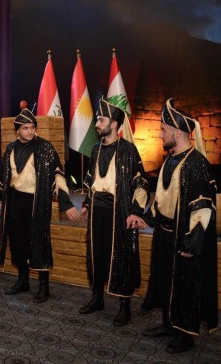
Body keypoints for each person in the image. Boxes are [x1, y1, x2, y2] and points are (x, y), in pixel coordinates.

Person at [141, 98, 218, 354]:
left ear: (176, 132)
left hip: (182, 237)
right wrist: (147, 218)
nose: (160, 134)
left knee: (185, 284)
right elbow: (162, 198)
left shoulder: (196, 164)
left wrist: (192, 242)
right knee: (165, 280)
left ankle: (185, 335)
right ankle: (168, 323)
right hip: (164, 234)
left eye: (163, 130)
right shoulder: (170, 159)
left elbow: (203, 207)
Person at [78, 97, 149, 327]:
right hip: (97, 211)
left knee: (121, 256)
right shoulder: (95, 149)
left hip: (119, 212)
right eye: (98, 119)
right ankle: (97, 298)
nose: (97, 124)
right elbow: (91, 180)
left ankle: (124, 306)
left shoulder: (128, 150)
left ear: (115, 124)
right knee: (97, 255)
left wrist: (136, 211)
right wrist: (87, 203)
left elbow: (141, 184)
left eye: (101, 120)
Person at [0, 109, 81, 303]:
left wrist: (66, 203)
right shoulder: (10, 149)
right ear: (17, 130)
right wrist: (1, 200)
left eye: (32, 127)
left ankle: (44, 287)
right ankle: (23, 281)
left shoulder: (45, 148)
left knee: (39, 241)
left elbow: (58, 175)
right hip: (15, 201)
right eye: (25, 128)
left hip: (36, 202)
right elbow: (4, 176)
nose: (30, 131)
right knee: (18, 241)